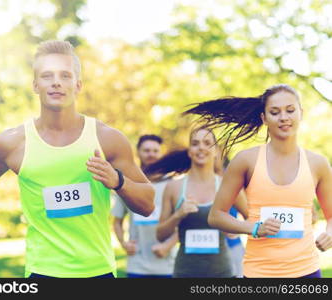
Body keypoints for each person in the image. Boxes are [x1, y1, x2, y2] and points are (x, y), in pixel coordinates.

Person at [0, 40, 155, 278]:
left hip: (99, 271)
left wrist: (118, 181)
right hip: (41, 272)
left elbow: (148, 204)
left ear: (78, 85)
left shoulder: (107, 139)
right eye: (47, 75)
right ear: (35, 85)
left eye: (65, 75)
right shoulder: (12, 143)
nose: (56, 82)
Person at [185, 84, 332, 278]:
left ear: (300, 113)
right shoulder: (246, 160)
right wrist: (254, 228)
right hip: (259, 273)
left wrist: (330, 233)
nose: (284, 117)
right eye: (274, 112)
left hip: (307, 272)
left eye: (290, 110)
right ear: (264, 118)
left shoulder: (318, 163)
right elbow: (216, 216)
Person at [147, 127, 247, 278]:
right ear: (189, 151)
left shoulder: (228, 186)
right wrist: (178, 215)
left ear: (215, 151)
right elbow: (160, 235)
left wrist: (235, 228)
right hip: (184, 273)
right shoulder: (174, 187)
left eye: (207, 143)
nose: (201, 147)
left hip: (222, 274)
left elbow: (254, 222)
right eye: (195, 143)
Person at [112, 135, 177, 278]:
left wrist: (167, 246)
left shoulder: (172, 184)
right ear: (138, 152)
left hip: (166, 266)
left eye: (155, 151)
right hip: (137, 266)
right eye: (146, 150)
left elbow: (184, 221)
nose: (151, 154)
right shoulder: (127, 184)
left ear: (161, 153)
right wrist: (124, 243)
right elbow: (116, 222)